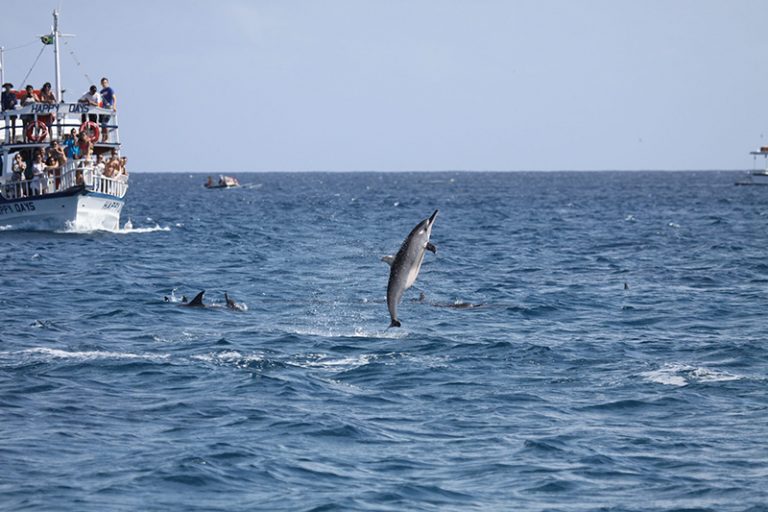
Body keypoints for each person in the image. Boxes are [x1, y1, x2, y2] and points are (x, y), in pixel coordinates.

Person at [99, 77, 116, 142]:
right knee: (102, 124)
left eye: (105, 83)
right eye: (103, 83)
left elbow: (114, 98)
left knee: (104, 123)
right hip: (102, 109)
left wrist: (114, 106)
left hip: (108, 108)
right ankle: (103, 137)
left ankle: (106, 138)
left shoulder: (110, 89)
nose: (104, 84)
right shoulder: (101, 92)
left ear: (107, 83)